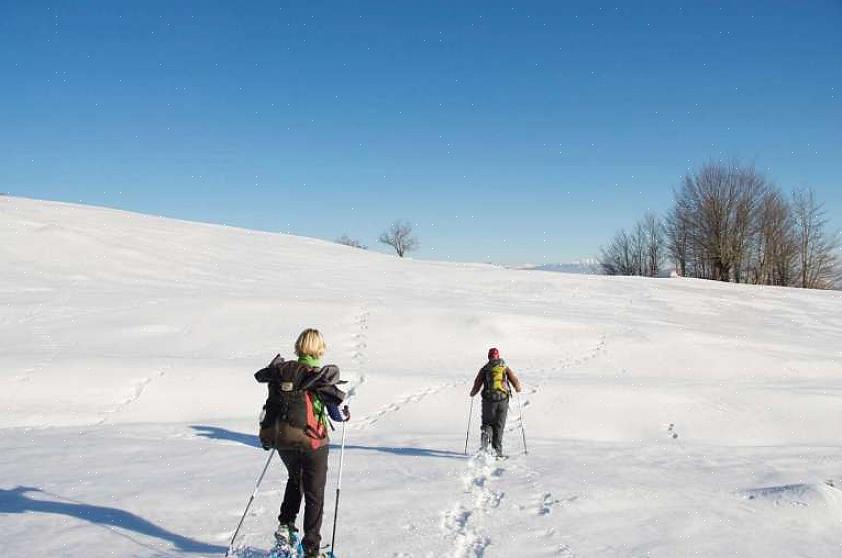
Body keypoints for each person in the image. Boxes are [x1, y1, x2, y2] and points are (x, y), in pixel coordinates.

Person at [255, 328, 350, 558]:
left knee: (295, 479)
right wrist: (344, 415)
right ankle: (311, 550)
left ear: (298, 347)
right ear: (319, 349)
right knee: (314, 493)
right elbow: (335, 413)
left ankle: (286, 525)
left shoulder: (282, 373)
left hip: (282, 440)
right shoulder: (316, 376)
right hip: (313, 442)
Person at [469, 347, 522, 458]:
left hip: (488, 401)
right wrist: (517, 388)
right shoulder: (504, 367)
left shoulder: (485, 369)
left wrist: (473, 393)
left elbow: (477, 383)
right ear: (498, 356)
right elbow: (515, 381)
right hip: (503, 400)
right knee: (499, 425)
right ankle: (498, 452)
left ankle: (485, 441)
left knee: (488, 423)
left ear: (489, 357)